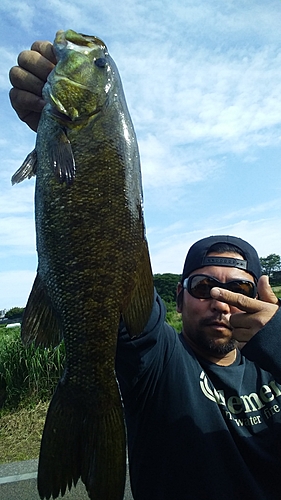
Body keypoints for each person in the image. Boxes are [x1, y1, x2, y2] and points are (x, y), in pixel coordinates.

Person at [9, 41, 281, 500]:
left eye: (239, 288)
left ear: (264, 295)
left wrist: (276, 338)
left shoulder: (273, 368)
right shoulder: (160, 366)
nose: (221, 297)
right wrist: (56, 139)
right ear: (176, 300)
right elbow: (127, 302)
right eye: (202, 284)